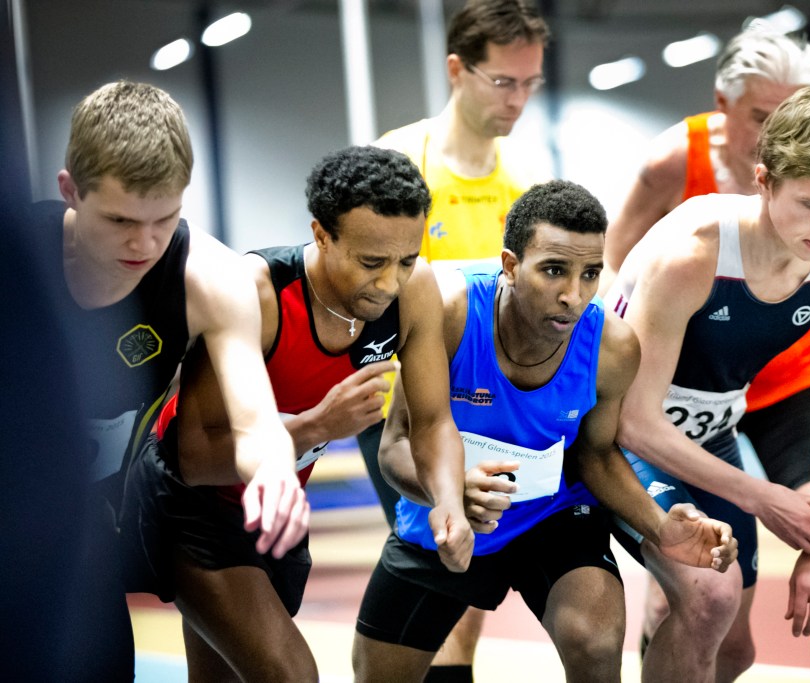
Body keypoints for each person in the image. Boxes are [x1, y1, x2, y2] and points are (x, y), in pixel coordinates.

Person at [352, 180, 738, 683]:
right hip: (445, 515)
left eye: (590, 274)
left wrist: (661, 527)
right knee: (376, 676)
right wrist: (451, 493)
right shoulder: (450, 313)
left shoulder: (613, 347)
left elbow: (596, 455)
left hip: (553, 514)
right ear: (511, 266)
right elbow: (397, 446)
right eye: (554, 270)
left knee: (596, 643)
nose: (572, 295)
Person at [123, 146, 474, 681]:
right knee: (291, 674)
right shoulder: (257, 293)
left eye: (406, 259)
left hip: (274, 504)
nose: (390, 283)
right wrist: (318, 427)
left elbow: (431, 423)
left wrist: (448, 500)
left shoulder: (414, 290)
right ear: (322, 234)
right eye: (372, 263)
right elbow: (193, 459)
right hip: (188, 504)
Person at [36, 80, 306, 680]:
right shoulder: (18, 267)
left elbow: (255, 419)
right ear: (69, 192)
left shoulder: (211, 278)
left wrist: (273, 471)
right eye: (119, 220)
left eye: (166, 218)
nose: (145, 242)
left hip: (88, 524)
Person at [607, 87, 810, 681]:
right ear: (763, 180)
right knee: (711, 599)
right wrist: (764, 495)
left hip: (710, 434)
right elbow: (635, 420)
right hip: (616, 440)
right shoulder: (693, 254)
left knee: (734, 650)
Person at [372, 2, 551, 678]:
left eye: (531, 83)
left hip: (487, 407)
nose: (520, 99)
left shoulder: (526, 185)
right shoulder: (400, 161)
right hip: (403, 407)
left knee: (464, 608)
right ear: (457, 68)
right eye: (505, 82)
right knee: (442, 592)